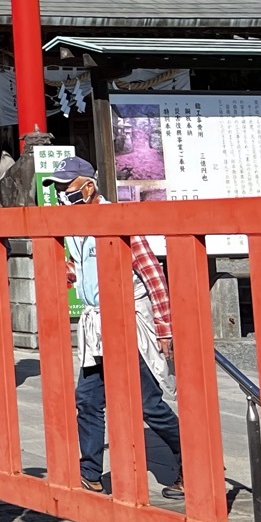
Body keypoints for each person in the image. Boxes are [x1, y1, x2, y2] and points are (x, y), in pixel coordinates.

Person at [51, 157, 185, 500]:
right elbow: (79, 268)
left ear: (88, 185)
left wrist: (165, 327)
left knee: (146, 403)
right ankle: (90, 474)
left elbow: (151, 272)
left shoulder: (118, 218)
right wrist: (69, 273)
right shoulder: (74, 223)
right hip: (97, 326)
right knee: (88, 399)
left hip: (124, 320)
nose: (63, 194)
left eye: (68, 187)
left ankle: (194, 463)